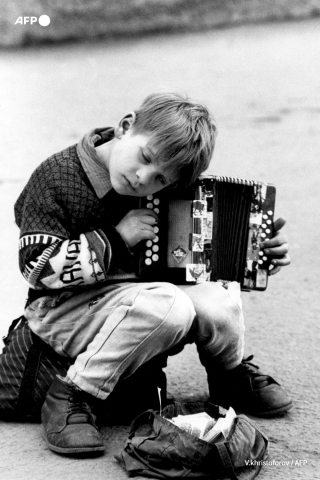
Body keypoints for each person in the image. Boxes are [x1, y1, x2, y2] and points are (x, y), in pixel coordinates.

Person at [14, 92, 291, 456]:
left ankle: (230, 378)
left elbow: (194, 263)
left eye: (159, 178)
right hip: (61, 310)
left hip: (135, 302)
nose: (143, 178)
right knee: (169, 304)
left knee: (218, 295)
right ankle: (73, 394)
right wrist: (115, 239)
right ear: (126, 126)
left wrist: (251, 256)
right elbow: (35, 267)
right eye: (145, 158)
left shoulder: (170, 191)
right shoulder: (56, 177)